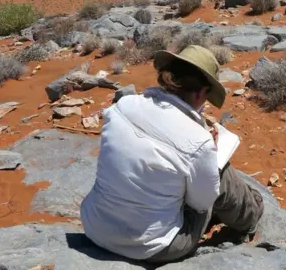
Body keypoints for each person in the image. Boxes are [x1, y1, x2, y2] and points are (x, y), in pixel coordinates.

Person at [80, 45, 264, 264]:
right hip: (151, 246)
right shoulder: (199, 142)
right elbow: (202, 203)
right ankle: (251, 215)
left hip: (95, 227)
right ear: (199, 92)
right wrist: (210, 155)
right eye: (206, 96)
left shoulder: (123, 105)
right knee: (220, 171)